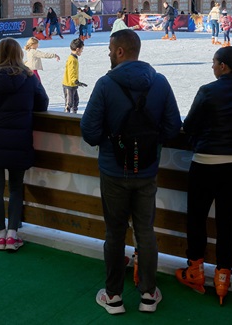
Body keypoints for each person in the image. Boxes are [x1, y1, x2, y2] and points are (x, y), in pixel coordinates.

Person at [81, 29, 182, 315]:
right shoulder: (160, 83)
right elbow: (173, 127)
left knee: (114, 233)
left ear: (121, 51)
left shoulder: (105, 84)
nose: (109, 54)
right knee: (145, 232)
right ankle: (149, 294)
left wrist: (113, 141)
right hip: (147, 170)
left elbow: (89, 130)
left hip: (113, 170)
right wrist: (150, 141)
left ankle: (113, 296)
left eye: (111, 50)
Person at [176, 45, 232, 305]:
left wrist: (202, 136)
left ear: (223, 66)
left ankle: (195, 270)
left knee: (197, 218)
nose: (212, 67)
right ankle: (222, 277)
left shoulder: (208, 91)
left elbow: (189, 126)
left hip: (207, 161)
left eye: (214, 63)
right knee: (226, 221)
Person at [0, 38, 49, 252]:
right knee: (16, 187)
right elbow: (43, 104)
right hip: (18, 140)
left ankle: (0, 235)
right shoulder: (29, 77)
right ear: (19, 54)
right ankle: (13, 234)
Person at [62, 38, 85, 113]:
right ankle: (65, 119)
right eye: (82, 49)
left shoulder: (73, 58)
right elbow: (72, 71)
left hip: (73, 85)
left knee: (76, 101)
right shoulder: (72, 59)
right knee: (69, 104)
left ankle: (74, 116)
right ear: (77, 49)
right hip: (69, 85)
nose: (82, 51)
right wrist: (76, 81)